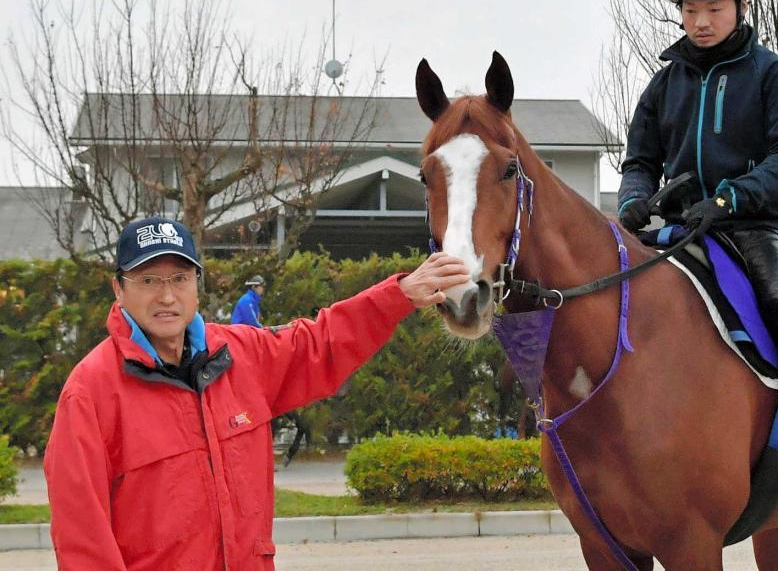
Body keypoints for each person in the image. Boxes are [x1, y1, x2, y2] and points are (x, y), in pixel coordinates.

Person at [43, 216, 469, 569]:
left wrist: (397, 296)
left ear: (197, 283)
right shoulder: (91, 393)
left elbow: (320, 342)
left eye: (179, 277)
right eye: (148, 279)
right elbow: (83, 540)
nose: (167, 295)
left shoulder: (242, 356)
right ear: (119, 289)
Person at [616, 0, 778, 485]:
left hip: (752, 225)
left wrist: (732, 197)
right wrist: (632, 201)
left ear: (740, 6)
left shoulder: (773, 75)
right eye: (690, 10)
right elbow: (640, 161)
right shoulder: (662, 84)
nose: (700, 21)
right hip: (677, 227)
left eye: (713, 8)